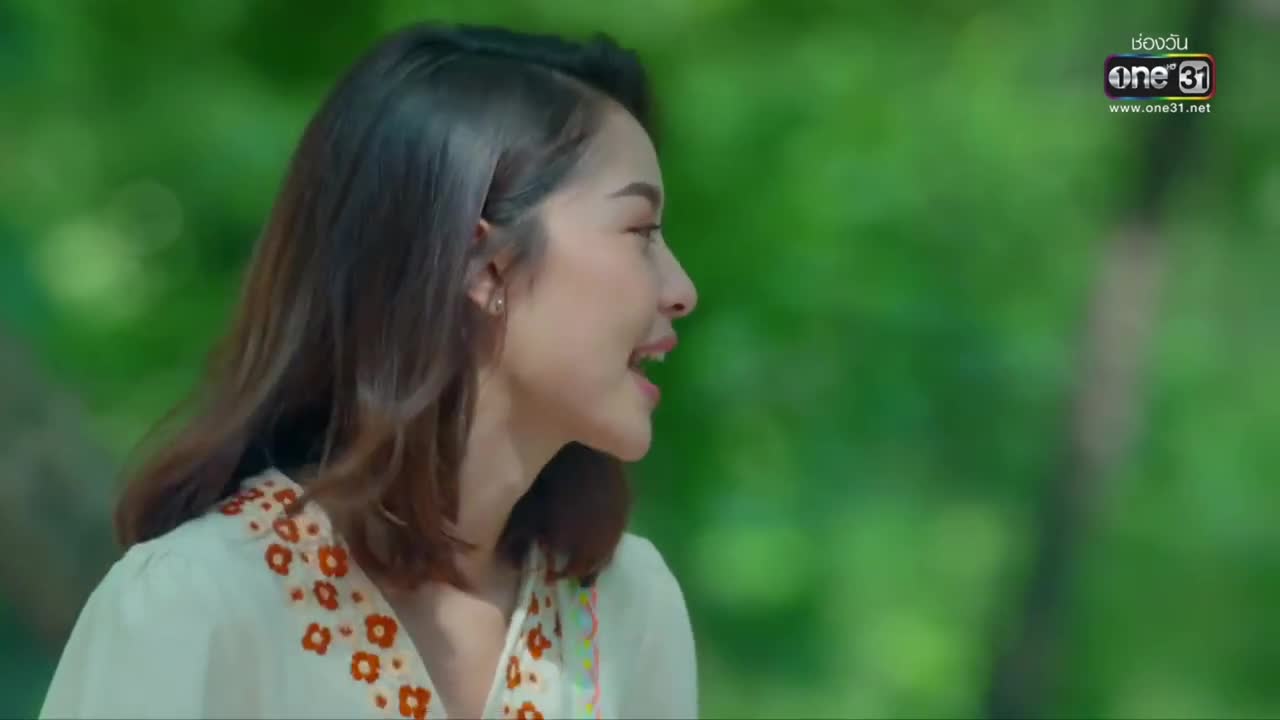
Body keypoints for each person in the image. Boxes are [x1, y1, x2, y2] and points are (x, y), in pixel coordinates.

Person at [39, 21, 699, 720]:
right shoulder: (195, 608)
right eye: (640, 232)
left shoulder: (625, 608)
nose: (681, 290)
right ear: (484, 264)